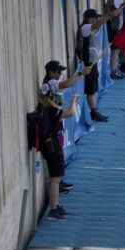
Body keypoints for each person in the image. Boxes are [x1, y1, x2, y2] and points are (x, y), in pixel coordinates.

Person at [39, 60, 88, 220]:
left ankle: (56, 206)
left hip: (52, 140)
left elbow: (65, 84)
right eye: (58, 73)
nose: (60, 76)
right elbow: (68, 114)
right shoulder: (51, 105)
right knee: (55, 178)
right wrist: (74, 102)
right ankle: (53, 209)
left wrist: (79, 74)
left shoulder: (50, 101)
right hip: (51, 142)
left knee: (57, 176)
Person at [76, 8, 109, 122]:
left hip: (92, 62)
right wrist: (108, 16)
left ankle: (94, 111)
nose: (96, 20)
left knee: (93, 88)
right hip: (88, 63)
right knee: (90, 89)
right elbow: (99, 24)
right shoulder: (85, 28)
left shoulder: (89, 28)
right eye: (95, 18)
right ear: (89, 18)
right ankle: (93, 112)